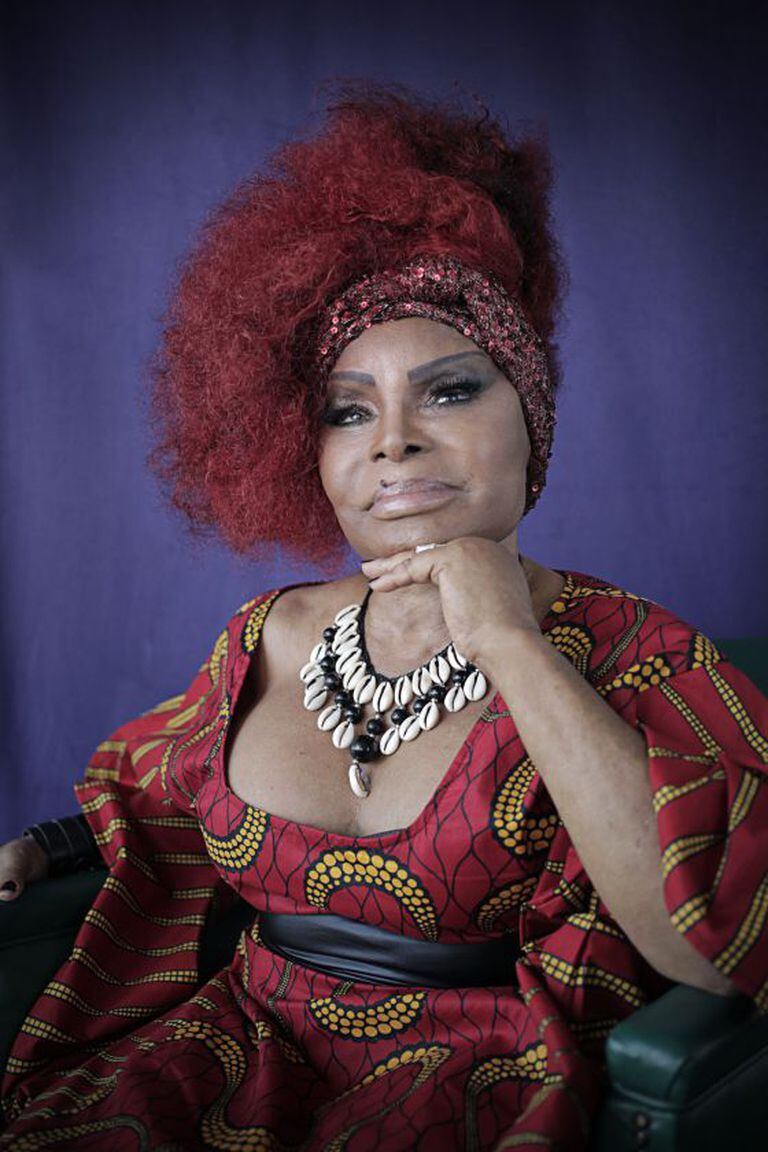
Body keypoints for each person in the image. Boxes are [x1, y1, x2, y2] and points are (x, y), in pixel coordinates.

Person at [1, 80, 766, 1152]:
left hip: (478, 1087)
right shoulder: (265, 636)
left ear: (530, 419)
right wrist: (46, 846)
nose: (393, 441)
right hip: (235, 1055)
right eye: (347, 410)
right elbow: (159, 786)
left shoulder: (639, 652)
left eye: (450, 391)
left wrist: (508, 641)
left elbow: (713, 948)